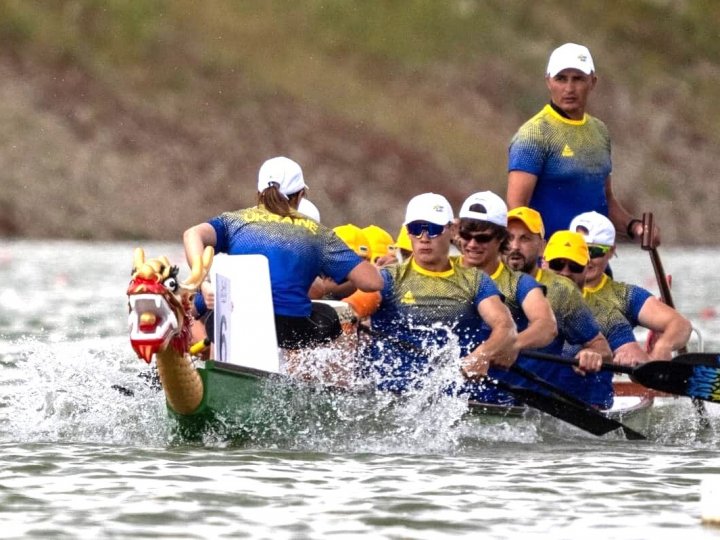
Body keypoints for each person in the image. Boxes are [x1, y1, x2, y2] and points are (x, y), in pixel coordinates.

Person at [182, 156, 383, 350]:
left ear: (259, 192)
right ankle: (322, 378)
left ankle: (220, 368)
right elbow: (372, 283)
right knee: (336, 317)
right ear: (301, 194)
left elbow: (192, 234)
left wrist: (203, 284)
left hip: (239, 322)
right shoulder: (318, 233)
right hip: (290, 330)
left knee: (216, 316)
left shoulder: (234, 221)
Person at [342, 192, 518, 392]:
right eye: (416, 229)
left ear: (451, 230)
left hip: (452, 402)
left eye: (433, 229)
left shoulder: (475, 281)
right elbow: (350, 308)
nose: (423, 238)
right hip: (391, 398)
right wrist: (344, 323)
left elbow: (505, 326)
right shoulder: (387, 278)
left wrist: (484, 354)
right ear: (408, 232)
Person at [506, 42, 659, 244]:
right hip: (552, 263)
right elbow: (517, 208)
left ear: (592, 82)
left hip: (594, 259)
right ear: (548, 82)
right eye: (561, 79)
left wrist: (636, 227)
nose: (569, 88)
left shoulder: (599, 132)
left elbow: (605, 200)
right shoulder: (533, 135)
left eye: (578, 79)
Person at [503, 206, 611, 393]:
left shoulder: (562, 290)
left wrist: (591, 353)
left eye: (525, 239)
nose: (515, 246)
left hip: (532, 402)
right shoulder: (479, 279)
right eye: (509, 238)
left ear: (542, 247)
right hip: (478, 394)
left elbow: (603, 349)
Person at [542, 230, 649, 408]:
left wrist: (626, 358)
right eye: (557, 265)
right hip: (534, 402)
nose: (565, 273)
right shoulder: (523, 301)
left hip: (589, 409)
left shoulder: (605, 313)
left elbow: (637, 358)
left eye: (575, 267)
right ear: (543, 264)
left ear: (586, 270)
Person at [569, 211, 692, 360]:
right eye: (580, 251)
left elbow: (680, 325)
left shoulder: (624, 296)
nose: (586, 259)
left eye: (594, 251)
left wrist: (663, 347)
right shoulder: (548, 288)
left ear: (611, 251)